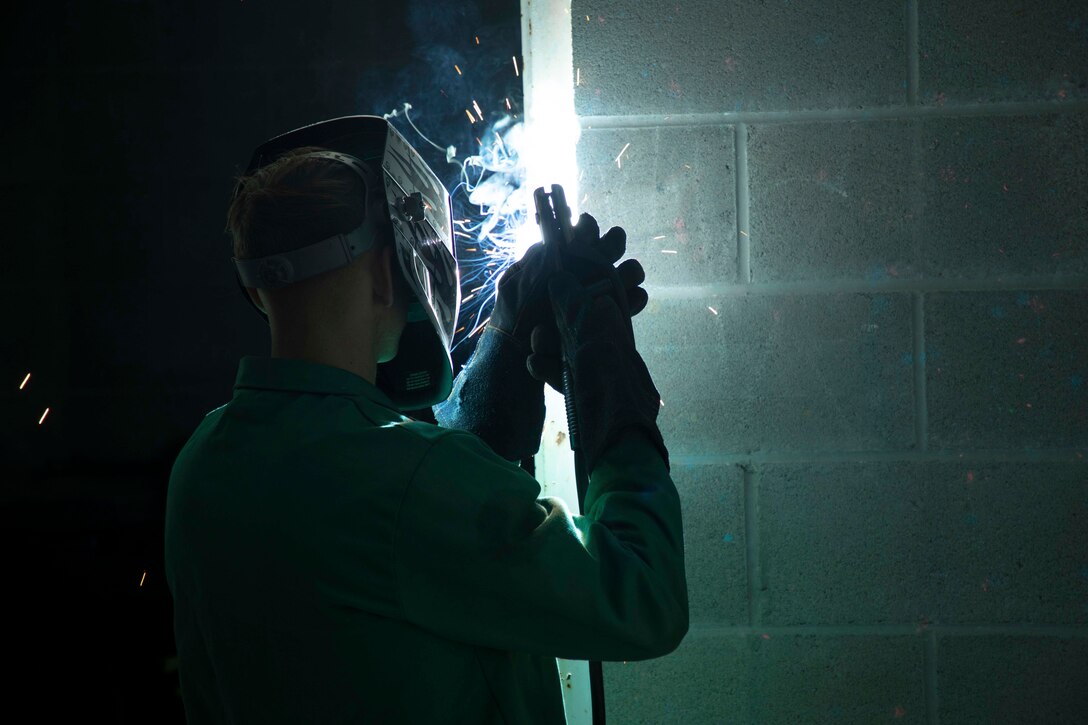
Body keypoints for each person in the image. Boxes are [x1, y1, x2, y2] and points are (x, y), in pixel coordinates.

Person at [164, 116, 688, 724]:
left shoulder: (204, 462)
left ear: (257, 287)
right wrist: (605, 368)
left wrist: (505, 345)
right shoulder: (408, 484)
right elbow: (644, 598)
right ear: (390, 272)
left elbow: (419, 557)